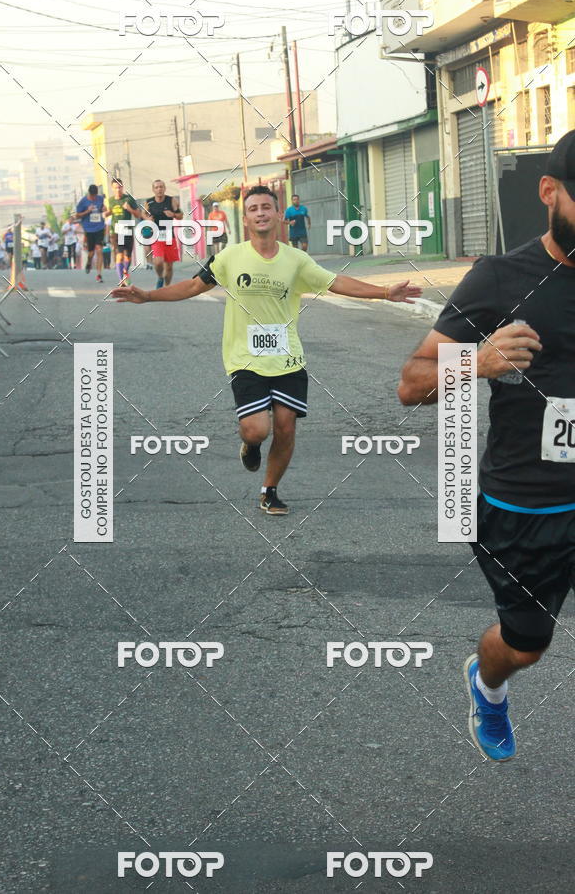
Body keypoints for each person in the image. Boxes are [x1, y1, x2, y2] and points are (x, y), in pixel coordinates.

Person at [397, 129, 575, 762]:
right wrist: (477, 361)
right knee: (527, 645)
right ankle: (488, 684)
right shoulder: (501, 279)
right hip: (526, 510)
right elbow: (411, 384)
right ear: (550, 193)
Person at [111, 184, 421, 514]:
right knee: (257, 429)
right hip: (245, 358)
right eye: (254, 208)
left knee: (286, 426)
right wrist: (147, 296)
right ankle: (250, 444)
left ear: (278, 215)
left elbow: (336, 282)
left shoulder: (296, 260)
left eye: (266, 207)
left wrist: (385, 292)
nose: (260, 212)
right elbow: (191, 286)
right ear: (245, 219)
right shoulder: (229, 257)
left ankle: (269, 490)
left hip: (288, 357)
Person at [143, 179, 183, 289]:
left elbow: (181, 215)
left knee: (169, 267)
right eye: (156, 187)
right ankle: (160, 277)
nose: (159, 189)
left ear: (164, 188)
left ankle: (167, 287)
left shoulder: (172, 200)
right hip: (156, 236)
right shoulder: (149, 202)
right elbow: (143, 214)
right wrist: (148, 219)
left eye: (161, 187)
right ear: (153, 190)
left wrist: (173, 214)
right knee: (158, 262)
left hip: (170, 237)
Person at [104, 177, 142, 283]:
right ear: (112, 188)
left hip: (127, 229)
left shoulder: (129, 199)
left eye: (120, 187)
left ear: (122, 187)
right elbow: (110, 211)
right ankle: (121, 280)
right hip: (116, 231)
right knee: (119, 255)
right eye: (116, 188)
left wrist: (129, 209)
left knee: (127, 256)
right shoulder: (111, 200)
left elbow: (138, 214)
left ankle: (125, 271)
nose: (118, 189)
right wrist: (106, 214)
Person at [75, 184, 105, 282]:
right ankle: (89, 261)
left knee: (99, 250)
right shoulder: (83, 201)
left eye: (95, 196)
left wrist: (104, 209)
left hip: (100, 227)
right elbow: (77, 215)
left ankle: (99, 275)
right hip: (89, 229)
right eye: (92, 196)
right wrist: (87, 211)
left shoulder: (100, 199)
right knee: (91, 252)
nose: (94, 198)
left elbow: (103, 208)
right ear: (89, 193)